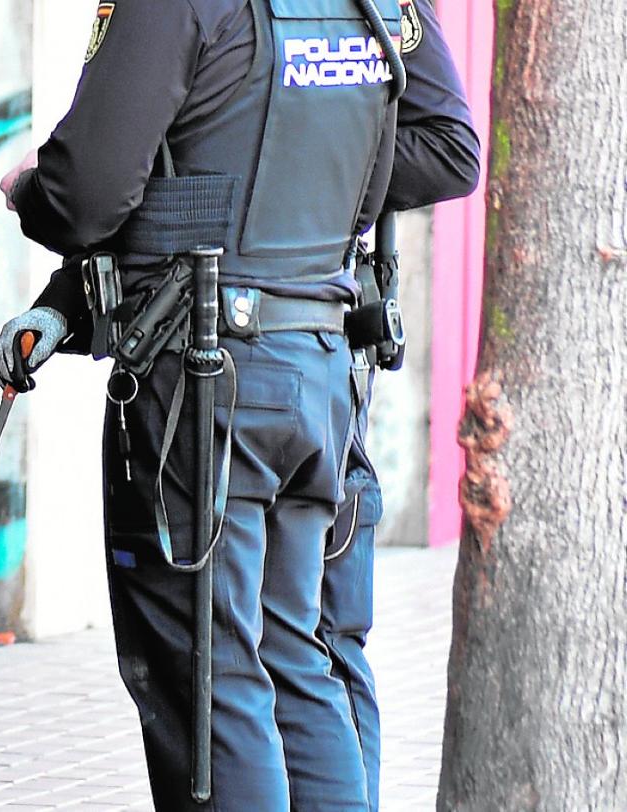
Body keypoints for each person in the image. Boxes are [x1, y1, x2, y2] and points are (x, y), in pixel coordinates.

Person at [0, 0, 404, 808]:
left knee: (213, 679)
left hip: (209, 385)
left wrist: (29, 190)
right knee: (296, 662)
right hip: (316, 370)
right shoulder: (366, 10)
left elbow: (88, 192)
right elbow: (372, 189)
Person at [320, 1, 480, 809]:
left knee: (325, 635)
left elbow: (453, 150)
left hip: (320, 349)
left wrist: (303, 163)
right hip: (216, 352)